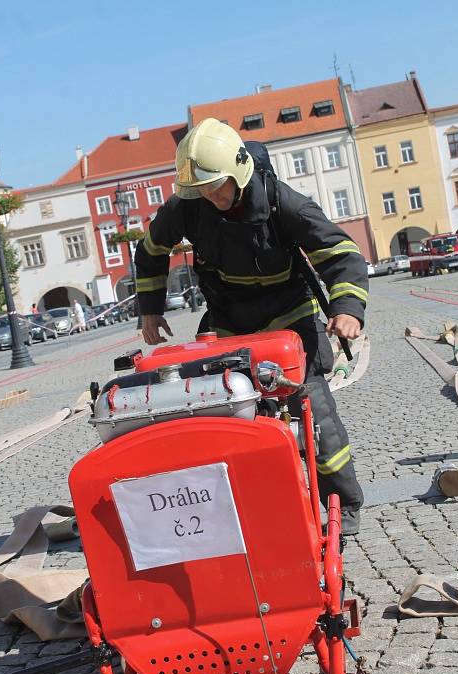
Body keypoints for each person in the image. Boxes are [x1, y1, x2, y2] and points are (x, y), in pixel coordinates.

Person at [135, 119, 368, 535]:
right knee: (221, 411)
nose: (211, 195)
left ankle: (341, 506)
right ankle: (242, 504)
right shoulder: (187, 207)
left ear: (239, 172)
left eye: (217, 185)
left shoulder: (285, 203)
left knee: (312, 413)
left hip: (290, 318)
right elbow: (151, 250)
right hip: (228, 321)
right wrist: (150, 310)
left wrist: (347, 307)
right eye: (202, 189)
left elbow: (341, 252)